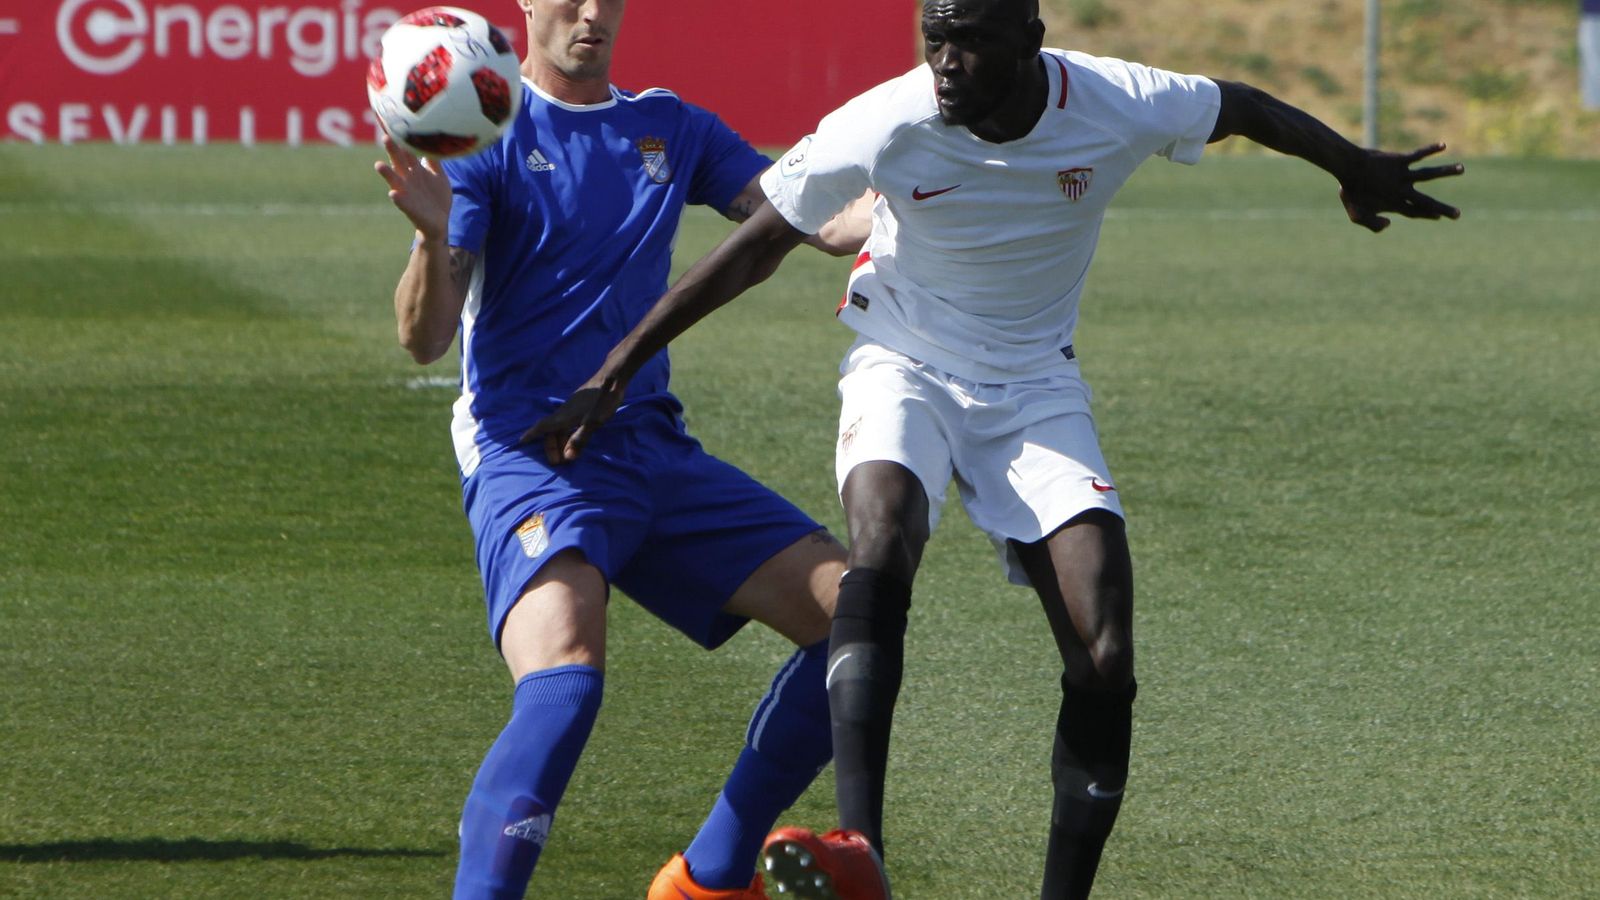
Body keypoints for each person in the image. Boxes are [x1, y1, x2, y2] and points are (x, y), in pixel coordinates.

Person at [529, 0, 1466, 897]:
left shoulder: (1114, 99)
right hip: (904, 359)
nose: (945, 64)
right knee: (883, 540)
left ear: (1030, 40)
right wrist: (613, 373)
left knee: (1104, 651)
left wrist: (1352, 165)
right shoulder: (890, 117)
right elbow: (759, 242)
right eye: (934, 39)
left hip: (1035, 389)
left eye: (970, 42)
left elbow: (1241, 105)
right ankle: (862, 850)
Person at [373, 0, 873, 897]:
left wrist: (902, 202)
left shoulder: (668, 126)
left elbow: (803, 218)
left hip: (651, 448)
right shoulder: (486, 137)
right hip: (531, 455)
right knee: (565, 678)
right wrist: (428, 235)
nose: (593, 12)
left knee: (856, 626)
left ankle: (709, 876)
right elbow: (425, 335)